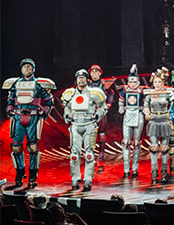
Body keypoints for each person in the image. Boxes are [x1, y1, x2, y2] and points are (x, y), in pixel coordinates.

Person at [2, 58, 55, 189]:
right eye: (24, 67)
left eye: (29, 67)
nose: (27, 69)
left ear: (33, 69)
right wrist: (10, 109)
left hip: (33, 118)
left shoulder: (39, 84)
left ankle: (32, 175)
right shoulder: (15, 84)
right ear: (21, 69)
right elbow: (10, 100)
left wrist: (44, 112)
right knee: (16, 147)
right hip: (18, 118)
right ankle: (20, 172)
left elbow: (49, 101)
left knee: (33, 147)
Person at [61, 69, 107, 191]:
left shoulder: (94, 93)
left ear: (87, 80)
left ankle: (88, 179)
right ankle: (75, 178)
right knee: (74, 155)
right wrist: (67, 115)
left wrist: (97, 115)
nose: (81, 80)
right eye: (79, 78)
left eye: (83, 78)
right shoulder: (70, 93)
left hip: (89, 124)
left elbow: (103, 107)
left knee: (89, 154)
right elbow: (67, 107)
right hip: (75, 125)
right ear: (76, 80)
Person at [143, 70, 174, 184]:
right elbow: (146, 105)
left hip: (164, 120)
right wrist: (147, 113)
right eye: (155, 82)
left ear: (163, 82)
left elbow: (173, 104)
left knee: (165, 148)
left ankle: (164, 174)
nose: (157, 84)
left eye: (159, 82)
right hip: (153, 120)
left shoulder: (167, 93)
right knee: (154, 147)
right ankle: (154, 173)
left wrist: (170, 113)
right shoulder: (149, 94)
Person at [118, 65, 145, 178]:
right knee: (126, 141)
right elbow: (121, 100)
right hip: (128, 114)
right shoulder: (125, 90)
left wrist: (145, 109)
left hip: (138, 115)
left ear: (138, 81)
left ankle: (135, 168)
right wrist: (120, 107)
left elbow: (146, 101)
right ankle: (126, 168)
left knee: (137, 142)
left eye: (134, 82)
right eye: (131, 82)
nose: (133, 84)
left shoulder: (142, 90)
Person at [88, 64, 115, 174]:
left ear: (100, 73)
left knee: (101, 135)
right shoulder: (87, 84)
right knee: (89, 135)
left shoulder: (104, 84)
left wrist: (108, 104)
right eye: (92, 72)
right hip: (89, 112)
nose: (94, 74)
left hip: (101, 111)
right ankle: (90, 158)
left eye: (96, 72)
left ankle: (101, 159)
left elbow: (111, 93)